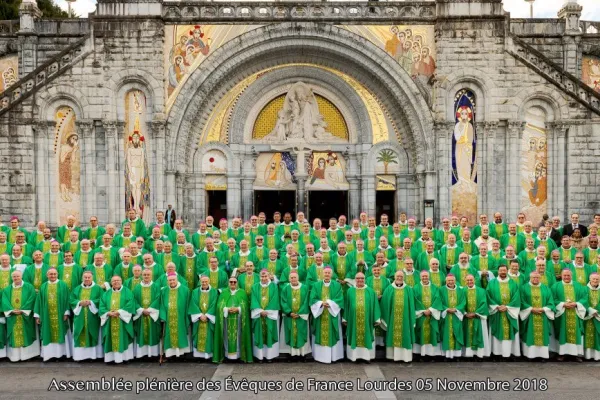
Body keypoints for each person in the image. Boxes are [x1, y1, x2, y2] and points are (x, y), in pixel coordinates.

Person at [213, 276, 253, 363]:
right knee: (226, 337)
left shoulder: (242, 292)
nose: (233, 284)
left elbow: (246, 306)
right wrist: (226, 309)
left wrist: (238, 309)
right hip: (227, 319)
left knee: (239, 336)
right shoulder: (224, 292)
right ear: (228, 283)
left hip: (238, 319)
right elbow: (219, 305)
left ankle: (239, 356)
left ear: (237, 283)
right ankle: (227, 356)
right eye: (231, 282)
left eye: (234, 282)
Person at [34, 268, 71, 361]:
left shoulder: (63, 285)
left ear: (57, 274)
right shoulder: (43, 286)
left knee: (61, 332)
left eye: (54, 274)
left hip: (60, 314)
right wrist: (37, 315)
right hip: (46, 315)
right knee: (47, 332)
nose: (53, 276)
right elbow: (38, 301)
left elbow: (67, 299)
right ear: (47, 275)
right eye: (51, 274)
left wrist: (66, 312)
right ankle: (49, 355)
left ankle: (61, 354)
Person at [2, 270, 40, 361]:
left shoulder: (29, 287)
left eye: (17, 276)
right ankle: (15, 357)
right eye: (14, 277)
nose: (16, 278)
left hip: (26, 316)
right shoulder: (7, 289)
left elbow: (32, 298)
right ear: (12, 278)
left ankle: (28, 356)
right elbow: (4, 301)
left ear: (21, 276)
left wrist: (22, 310)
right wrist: (11, 310)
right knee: (14, 335)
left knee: (27, 333)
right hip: (12, 316)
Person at [343, 272, 381, 362]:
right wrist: (345, 318)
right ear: (355, 279)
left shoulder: (371, 291)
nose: (360, 280)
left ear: (365, 279)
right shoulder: (350, 291)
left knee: (367, 335)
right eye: (358, 278)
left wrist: (376, 319)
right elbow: (346, 305)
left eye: (362, 278)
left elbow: (375, 305)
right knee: (354, 336)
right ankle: (353, 357)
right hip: (353, 319)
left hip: (367, 320)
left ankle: (367, 357)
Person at [552, 269, 588, 362]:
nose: (567, 277)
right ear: (561, 275)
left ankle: (576, 354)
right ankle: (562, 353)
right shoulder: (555, 286)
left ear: (571, 276)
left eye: (568, 275)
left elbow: (585, 298)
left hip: (575, 313)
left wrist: (576, 304)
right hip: (562, 314)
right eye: (565, 275)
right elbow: (552, 299)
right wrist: (563, 304)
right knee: (562, 332)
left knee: (577, 333)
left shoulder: (578, 286)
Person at [309, 267, 344, 364]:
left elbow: (340, 298)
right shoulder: (316, 285)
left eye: (329, 273)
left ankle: (334, 356)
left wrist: (330, 303)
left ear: (331, 274)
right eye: (325, 273)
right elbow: (312, 298)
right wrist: (320, 303)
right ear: (322, 274)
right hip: (320, 313)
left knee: (332, 332)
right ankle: (320, 357)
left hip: (332, 313)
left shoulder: (337, 285)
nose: (327, 274)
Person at [486, 264, 521, 360]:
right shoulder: (492, 283)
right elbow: (488, 297)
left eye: (504, 270)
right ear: (498, 271)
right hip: (496, 312)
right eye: (501, 270)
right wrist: (497, 307)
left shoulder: (513, 283)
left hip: (510, 312)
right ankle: (496, 353)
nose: (502, 272)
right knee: (496, 331)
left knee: (509, 332)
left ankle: (509, 353)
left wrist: (507, 307)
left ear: (507, 271)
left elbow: (516, 297)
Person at [380, 270, 415, 362]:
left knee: (405, 335)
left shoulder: (408, 289)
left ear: (404, 278)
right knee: (392, 334)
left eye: (401, 276)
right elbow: (384, 305)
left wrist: (412, 319)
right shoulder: (389, 289)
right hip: (392, 319)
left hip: (406, 319)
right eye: (397, 276)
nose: (399, 278)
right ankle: (392, 356)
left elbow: (412, 305)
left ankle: (405, 357)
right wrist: (385, 318)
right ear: (394, 277)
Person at [519, 271, 555, 360]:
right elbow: (521, 301)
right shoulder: (523, 288)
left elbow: (551, 302)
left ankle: (542, 355)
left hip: (543, 315)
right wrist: (531, 309)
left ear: (540, 278)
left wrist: (543, 309)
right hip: (529, 315)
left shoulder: (546, 288)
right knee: (529, 334)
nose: (535, 279)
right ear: (530, 278)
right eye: (533, 277)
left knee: (543, 335)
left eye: (537, 277)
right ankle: (529, 355)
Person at [100, 276, 135, 363]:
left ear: (121, 281)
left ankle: (125, 358)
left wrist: (119, 312)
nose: (116, 282)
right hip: (110, 319)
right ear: (111, 282)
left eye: (118, 280)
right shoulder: (106, 293)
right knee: (110, 338)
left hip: (122, 320)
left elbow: (130, 304)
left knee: (124, 338)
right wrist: (108, 313)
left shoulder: (128, 292)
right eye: (114, 281)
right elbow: (101, 306)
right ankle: (110, 358)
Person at [71, 271, 104, 361]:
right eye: (85, 277)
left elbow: (102, 299)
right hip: (80, 315)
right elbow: (72, 299)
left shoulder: (98, 288)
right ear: (82, 278)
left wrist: (91, 302)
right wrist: (79, 303)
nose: (87, 279)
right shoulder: (77, 289)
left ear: (92, 278)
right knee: (80, 331)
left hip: (92, 316)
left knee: (92, 332)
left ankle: (93, 356)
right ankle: (80, 356)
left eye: (89, 277)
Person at [280, 271, 311, 360]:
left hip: (301, 316)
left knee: (301, 333)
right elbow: (283, 301)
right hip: (289, 316)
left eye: (295, 277)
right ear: (289, 279)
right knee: (290, 333)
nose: (293, 279)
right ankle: (291, 354)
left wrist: (299, 313)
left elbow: (306, 301)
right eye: (291, 278)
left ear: (298, 278)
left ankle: (303, 354)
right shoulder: (285, 288)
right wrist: (289, 312)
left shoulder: (305, 288)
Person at [250, 269, 280, 362]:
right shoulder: (254, 287)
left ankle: (269, 356)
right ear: (259, 277)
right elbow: (253, 299)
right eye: (262, 276)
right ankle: (259, 356)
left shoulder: (274, 286)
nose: (263, 278)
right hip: (259, 315)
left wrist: (267, 311)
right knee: (259, 334)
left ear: (269, 276)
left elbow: (275, 299)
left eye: (265, 276)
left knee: (269, 334)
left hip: (269, 315)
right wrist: (260, 311)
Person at [159, 273, 191, 358]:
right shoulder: (164, 290)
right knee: (169, 335)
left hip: (181, 317)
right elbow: (161, 304)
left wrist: (187, 317)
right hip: (168, 318)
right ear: (167, 281)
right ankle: (170, 354)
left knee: (180, 333)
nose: (172, 281)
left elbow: (188, 304)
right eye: (170, 280)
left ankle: (181, 354)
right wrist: (163, 316)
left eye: (173, 280)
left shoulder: (185, 290)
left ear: (177, 280)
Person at [412, 270, 443, 359]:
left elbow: (438, 299)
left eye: (426, 276)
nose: (425, 278)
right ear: (420, 277)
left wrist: (430, 310)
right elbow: (415, 301)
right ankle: (419, 354)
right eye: (423, 276)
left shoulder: (435, 288)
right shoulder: (415, 288)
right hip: (421, 315)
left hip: (432, 315)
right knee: (420, 334)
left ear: (429, 276)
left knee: (432, 334)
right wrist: (423, 311)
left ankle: (431, 354)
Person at [132, 268, 160, 358]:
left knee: (153, 333)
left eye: (148, 275)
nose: (146, 276)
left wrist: (150, 310)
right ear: (142, 275)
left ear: (151, 276)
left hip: (152, 315)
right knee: (141, 334)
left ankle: (153, 354)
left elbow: (158, 299)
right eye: (144, 275)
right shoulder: (137, 287)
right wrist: (141, 310)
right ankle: (141, 354)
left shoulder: (156, 286)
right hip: (141, 315)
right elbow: (134, 300)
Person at [189, 275, 218, 360]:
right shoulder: (195, 292)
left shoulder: (214, 292)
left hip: (209, 319)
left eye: (206, 281)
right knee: (198, 336)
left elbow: (215, 304)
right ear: (200, 282)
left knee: (209, 336)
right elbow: (193, 304)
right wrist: (200, 315)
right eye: (202, 282)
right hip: (199, 319)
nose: (204, 283)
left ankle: (208, 355)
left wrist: (208, 315)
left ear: (209, 282)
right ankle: (198, 356)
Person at [462, 274, 490, 359]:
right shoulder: (462, 291)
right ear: (465, 281)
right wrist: (465, 313)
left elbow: (484, 303)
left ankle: (479, 354)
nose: (470, 282)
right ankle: (468, 354)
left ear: (474, 280)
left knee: (479, 334)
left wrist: (475, 313)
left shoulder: (481, 291)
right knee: (467, 335)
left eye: (471, 280)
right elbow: (460, 302)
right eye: (468, 280)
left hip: (478, 317)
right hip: (466, 318)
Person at [439, 274, 465, 359]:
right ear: (446, 281)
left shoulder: (460, 290)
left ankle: (456, 355)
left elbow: (463, 302)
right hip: (446, 316)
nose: (450, 282)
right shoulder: (441, 290)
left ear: (455, 281)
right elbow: (439, 301)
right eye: (449, 280)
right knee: (446, 334)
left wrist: (456, 309)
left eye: (452, 280)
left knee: (456, 333)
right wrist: (446, 309)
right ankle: (446, 355)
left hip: (456, 316)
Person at [584, 273, 600, 360]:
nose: (595, 281)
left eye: (597, 279)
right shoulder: (584, 289)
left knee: (597, 335)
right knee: (588, 334)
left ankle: (597, 356)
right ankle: (588, 355)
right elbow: (583, 300)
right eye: (593, 279)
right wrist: (590, 310)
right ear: (590, 279)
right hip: (588, 316)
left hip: (598, 315)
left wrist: (597, 310)